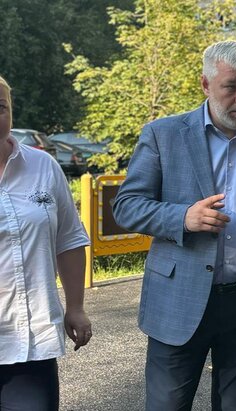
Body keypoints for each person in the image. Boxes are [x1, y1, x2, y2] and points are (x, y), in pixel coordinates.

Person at [112, 41, 236, 410]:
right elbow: (126, 207)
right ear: (206, 84)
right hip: (178, 298)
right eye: (231, 86)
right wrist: (182, 218)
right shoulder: (163, 134)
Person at [0, 75, 92, 409]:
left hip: (29, 341)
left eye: (0, 107)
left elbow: (68, 239)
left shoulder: (43, 166)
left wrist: (76, 307)